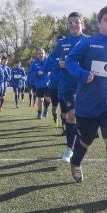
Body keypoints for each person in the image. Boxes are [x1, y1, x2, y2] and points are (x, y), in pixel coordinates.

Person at [65, 6, 107, 199]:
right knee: (85, 140)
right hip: (87, 104)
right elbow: (70, 61)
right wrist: (82, 74)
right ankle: (75, 162)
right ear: (99, 22)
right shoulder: (88, 43)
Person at [45, 12, 88, 162]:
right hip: (68, 86)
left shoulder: (89, 41)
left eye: (77, 22)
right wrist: (58, 63)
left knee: (76, 117)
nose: (73, 25)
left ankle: (75, 144)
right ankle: (70, 148)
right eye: (70, 23)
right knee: (70, 115)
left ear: (83, 24)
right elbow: (49, 61)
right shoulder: (62, 43)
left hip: (86, 85)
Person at [29, 49, 50, 119]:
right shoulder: (34, 63)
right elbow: (30, 73)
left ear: (45, 54)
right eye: (39, 53)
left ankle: (46, 109)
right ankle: (39, 113)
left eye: (42, 53)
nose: (41, 55)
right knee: (40, 99)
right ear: (37, 54)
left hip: (48, 84)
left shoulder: (48, 61)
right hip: (39, 84)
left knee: (47, 99)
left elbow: (53, 69)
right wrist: (37, 73)